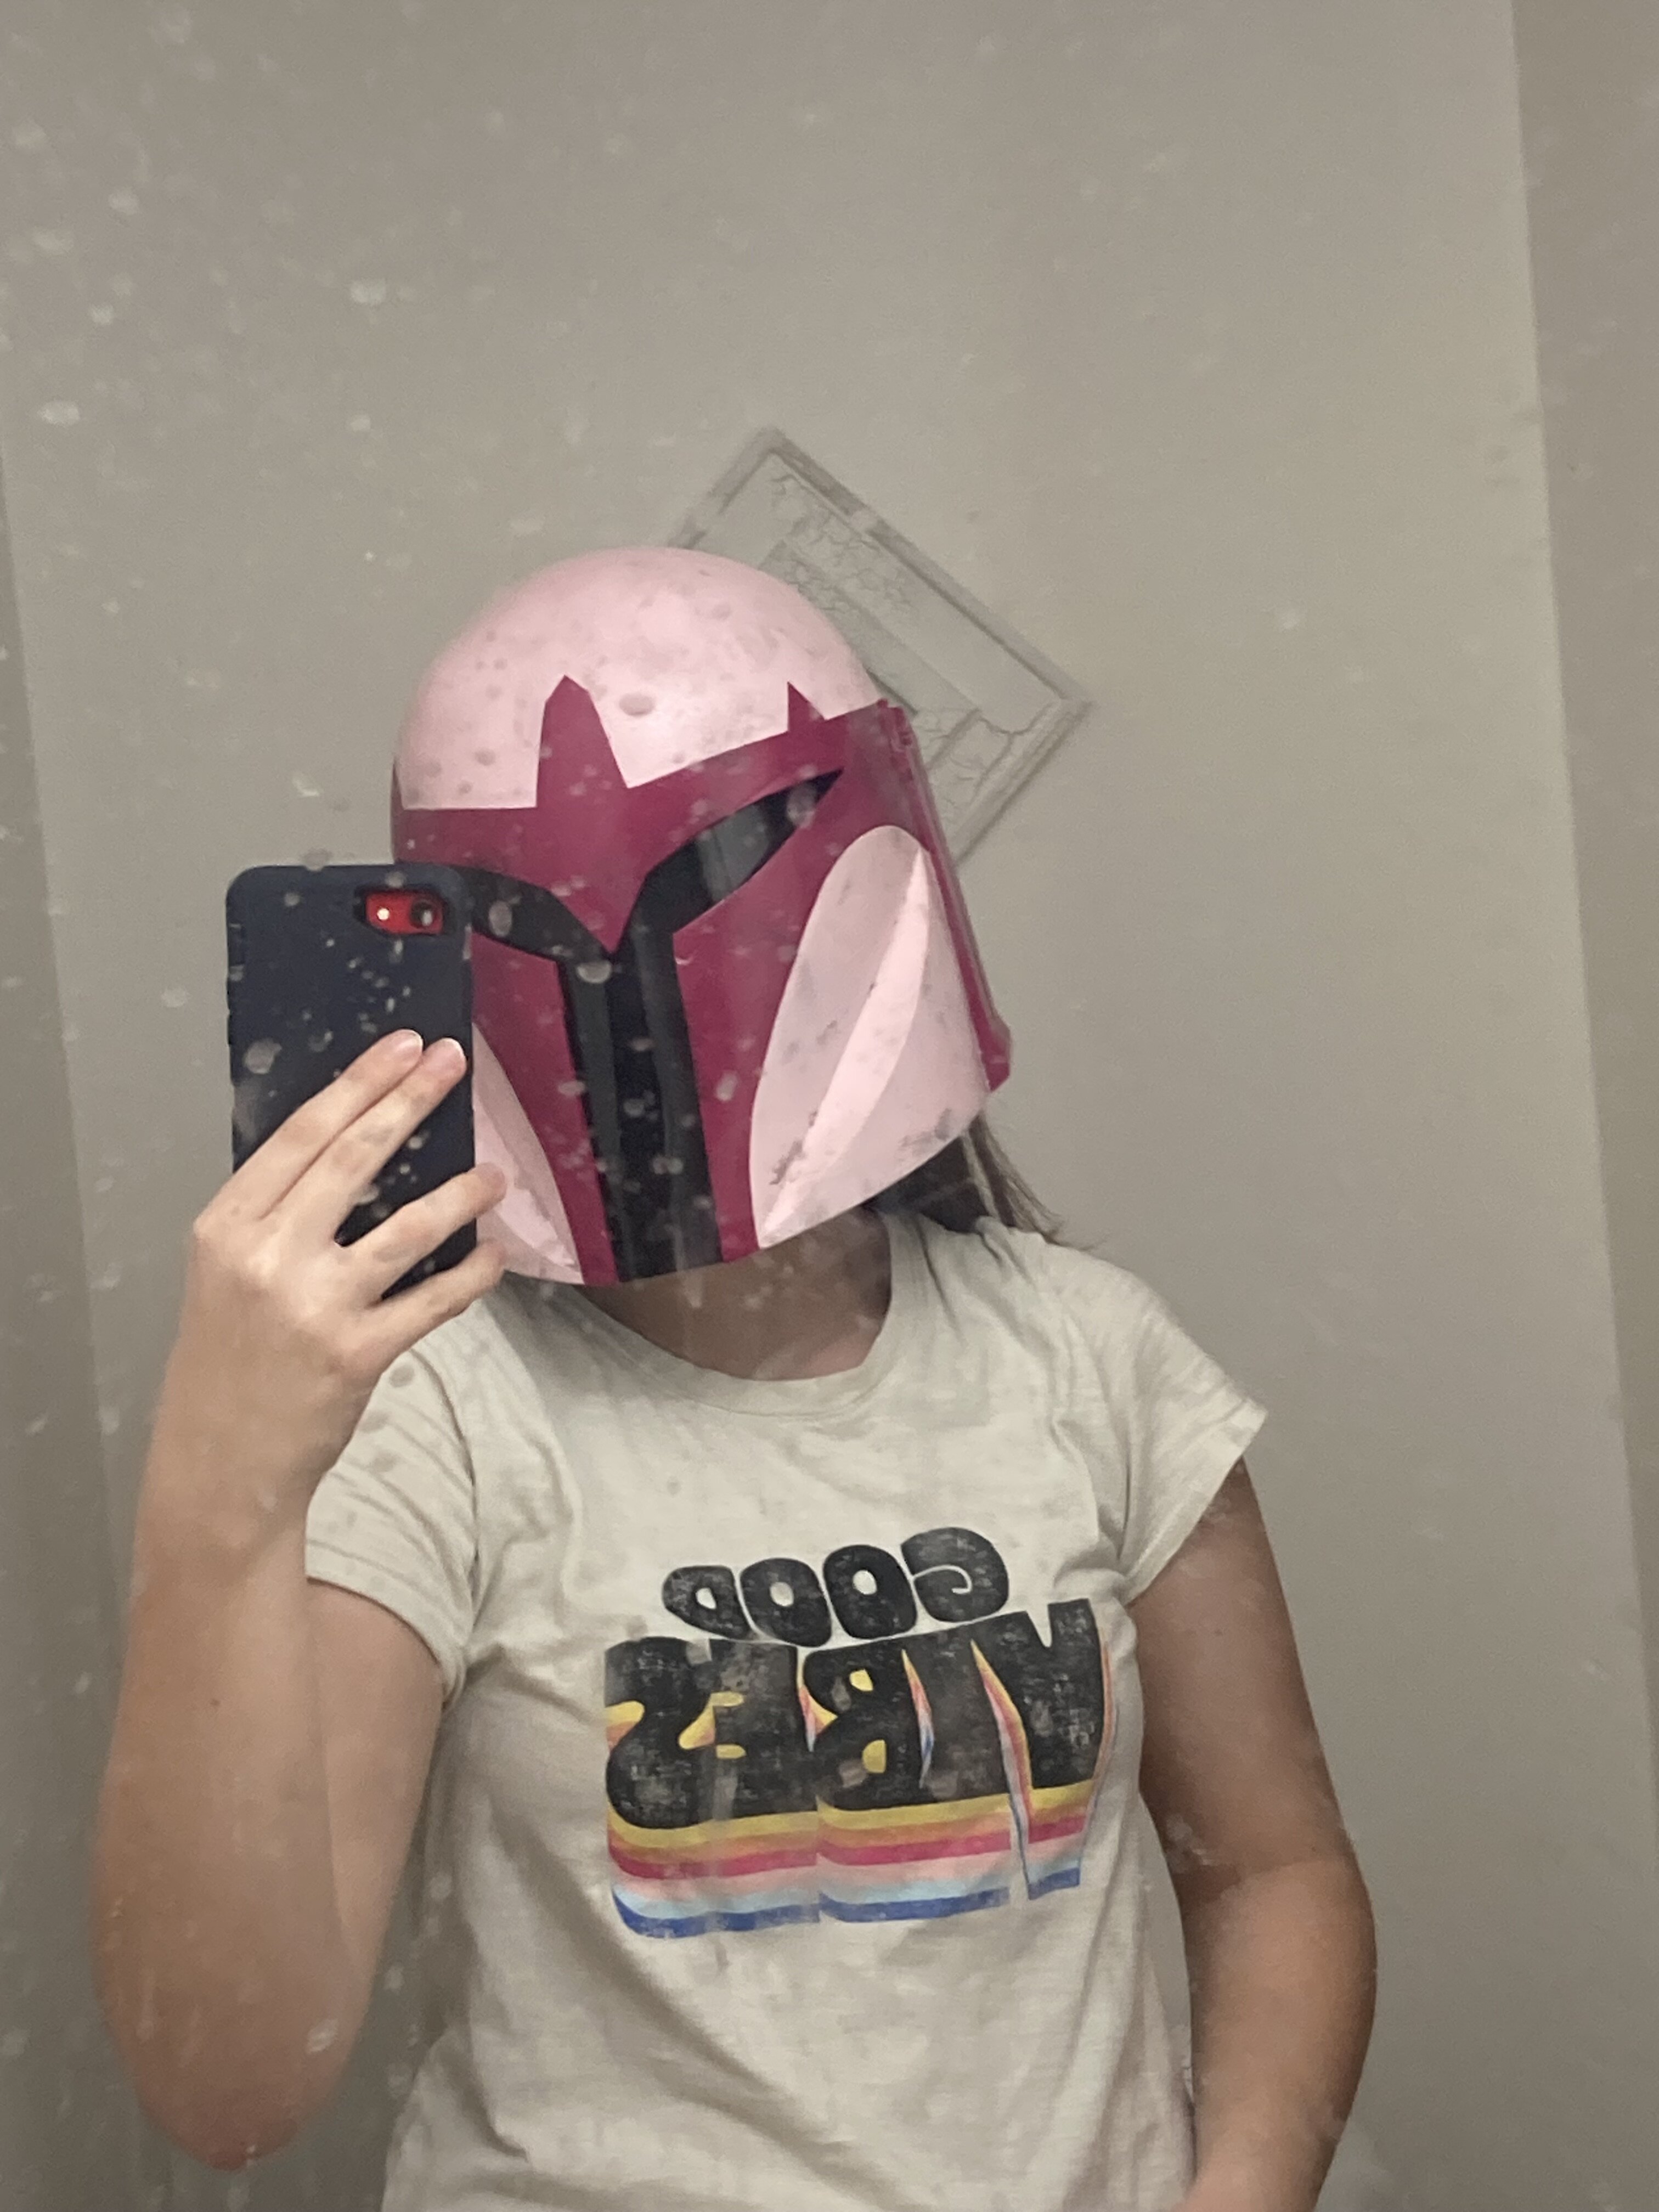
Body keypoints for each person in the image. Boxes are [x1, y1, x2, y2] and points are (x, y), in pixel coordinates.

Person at [93, 549, 1375, 2212]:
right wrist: (220, 1499)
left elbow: (1273, 1869)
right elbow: (234, 2079)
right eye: (535, 926)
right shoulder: (441, 1411)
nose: (628, 990)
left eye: (716, 876)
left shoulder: (1092, 1358)